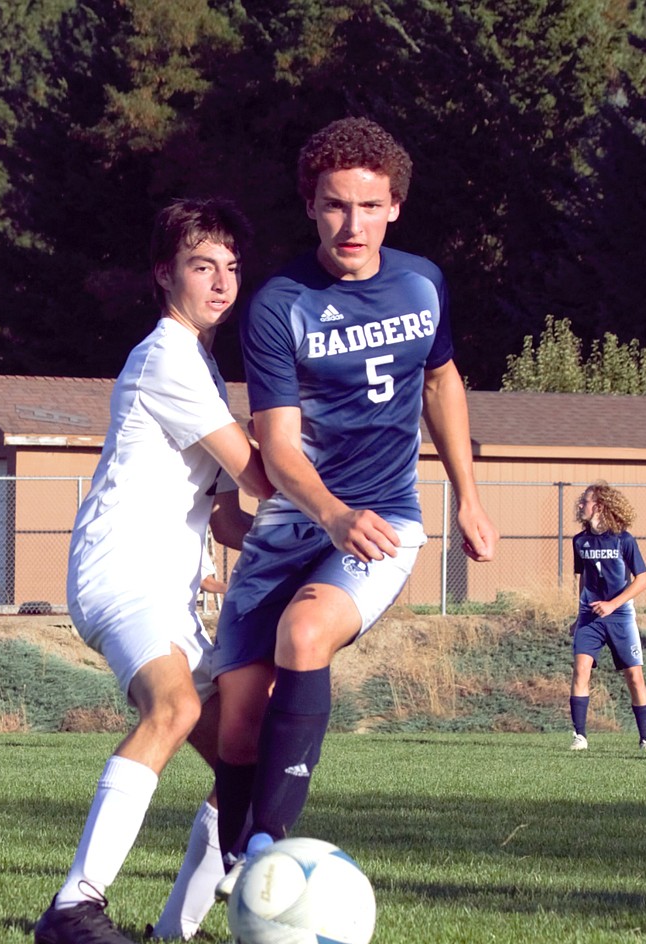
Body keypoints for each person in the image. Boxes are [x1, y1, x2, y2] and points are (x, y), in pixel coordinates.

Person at [211, 117, 498, 894]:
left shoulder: (422, 282)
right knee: (236, 716)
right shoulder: (279, 305)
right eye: (336, 205)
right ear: (311, 206)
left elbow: (442, 382)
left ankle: (266, 850)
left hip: (383, 521)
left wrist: (467, 494)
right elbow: (278, 448)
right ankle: (222, 866)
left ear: (395, 207)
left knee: (305, 633)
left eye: (369, 207)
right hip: (300, 519)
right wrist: (329, 513)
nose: (352, 224)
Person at [32, 198, 274, 944]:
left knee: (247, 755)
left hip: (165, 588)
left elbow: (229, 515)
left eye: (232, 267)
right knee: (174, 706)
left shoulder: (198, 363)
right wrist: (336, 489)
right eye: (203, 265)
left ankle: (177, 930)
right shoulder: (168, 356)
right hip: (120, 569)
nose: (222, 281)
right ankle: (75, 904)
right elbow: (258, 475)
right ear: (164, 273)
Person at [568, 482, 646, 751]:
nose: (581, 505)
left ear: (600, 506)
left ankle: (645, 740)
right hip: (590, 617)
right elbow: (583, 579)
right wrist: (578, 615)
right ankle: (580, 737)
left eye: (586, 501)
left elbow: (642, 580)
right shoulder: (579, 541)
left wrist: (612, 605)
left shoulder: (623, 539)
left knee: (634, 676)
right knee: (581, 670)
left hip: (620, 617)